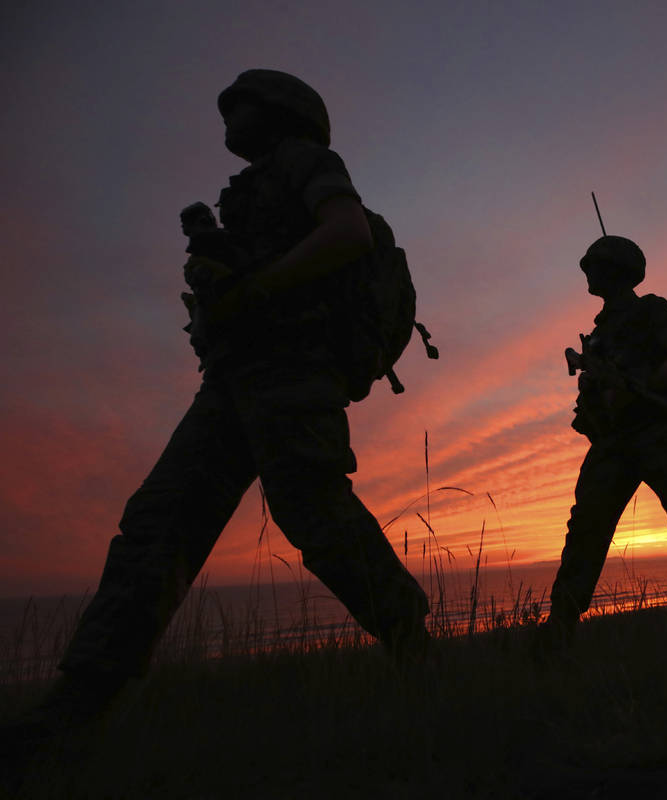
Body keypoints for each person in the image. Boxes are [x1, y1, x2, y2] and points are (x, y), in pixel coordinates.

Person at [10, 69, 430, 749]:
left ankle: (416, 648)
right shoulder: (247, 194)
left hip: (294, 375)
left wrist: (256, 288)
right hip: (235, 379)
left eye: (241, 105)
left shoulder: (308, 161)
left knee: (318, 520)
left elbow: (348, 233)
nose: (227, 118)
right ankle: (77, 703)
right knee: (158, 523)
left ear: (284, 111)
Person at [539, 235, 667, 649]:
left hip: (659, 433)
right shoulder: (597, 333)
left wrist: (639, 388)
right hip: (613, 441)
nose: (588, 275)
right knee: (586, 529)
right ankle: (559, 628)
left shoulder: (652, 309)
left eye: (594, 266)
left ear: (616, 269)